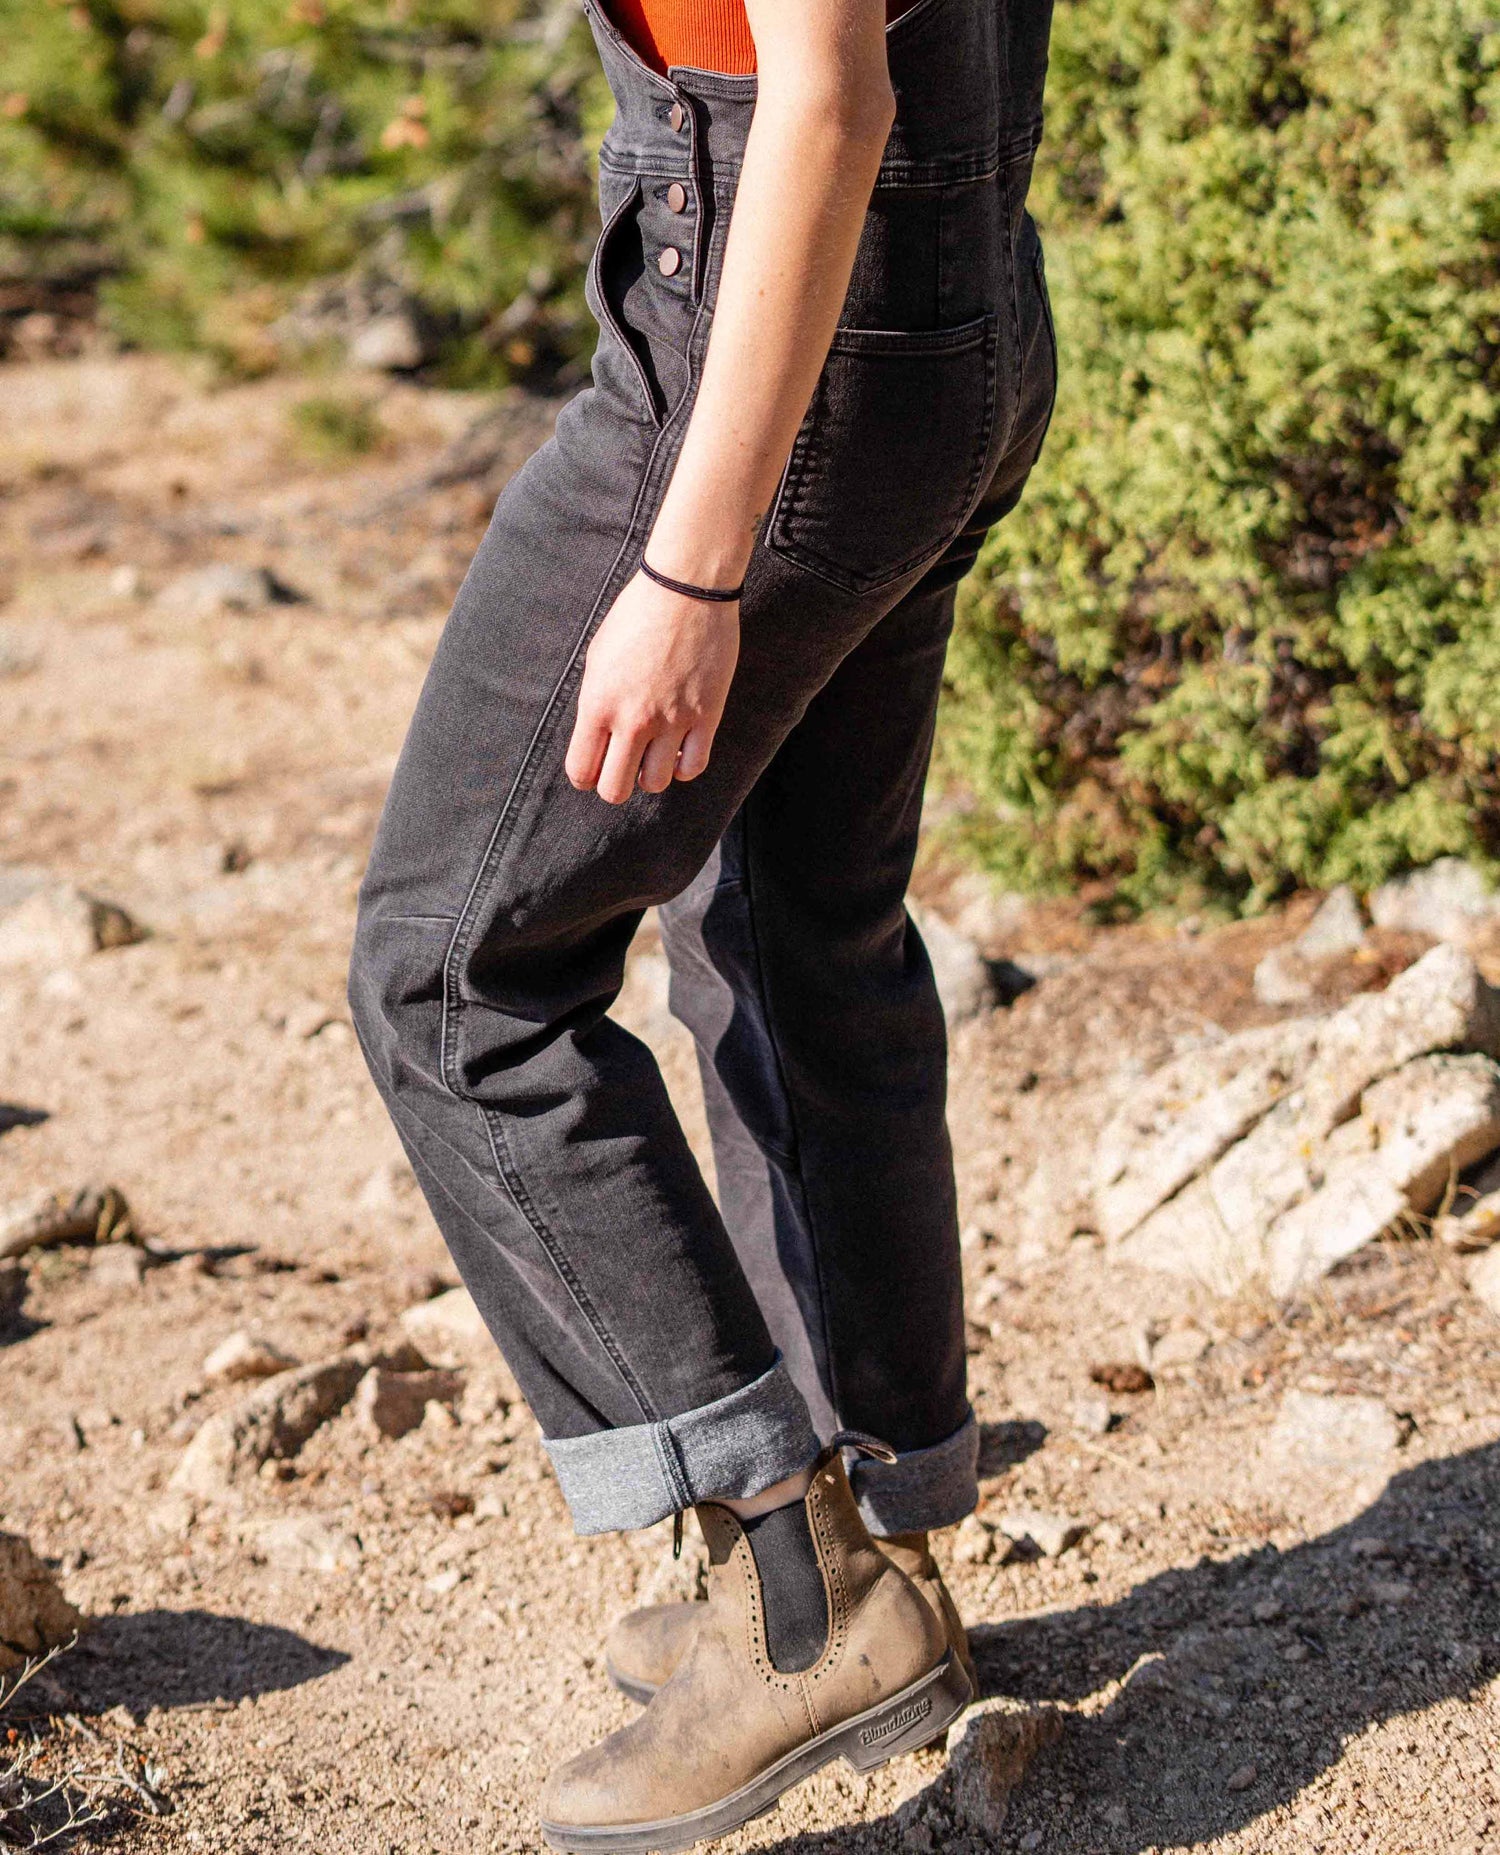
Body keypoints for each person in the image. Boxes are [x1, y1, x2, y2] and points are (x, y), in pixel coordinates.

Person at [347, 0, 1056, 1844]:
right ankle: (878, 1528)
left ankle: (794, 1597)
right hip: (939, 313)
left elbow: (825, 91)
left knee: (455, 976)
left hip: (772, 331)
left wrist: (694, 563)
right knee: (788, 922)